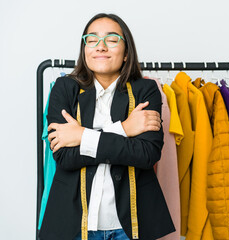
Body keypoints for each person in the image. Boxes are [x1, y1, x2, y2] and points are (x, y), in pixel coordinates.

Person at [39, 13, 175, 240]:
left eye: (111, 40)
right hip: (72, 223)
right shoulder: (64, 88)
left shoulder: (146, 90)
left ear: (126, 53)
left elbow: (146, 154)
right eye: (92, 40)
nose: (100, 46)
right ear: (85, 50)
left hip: (132, 225)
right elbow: (65, 155)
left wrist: (80, 136)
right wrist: (124, 129)